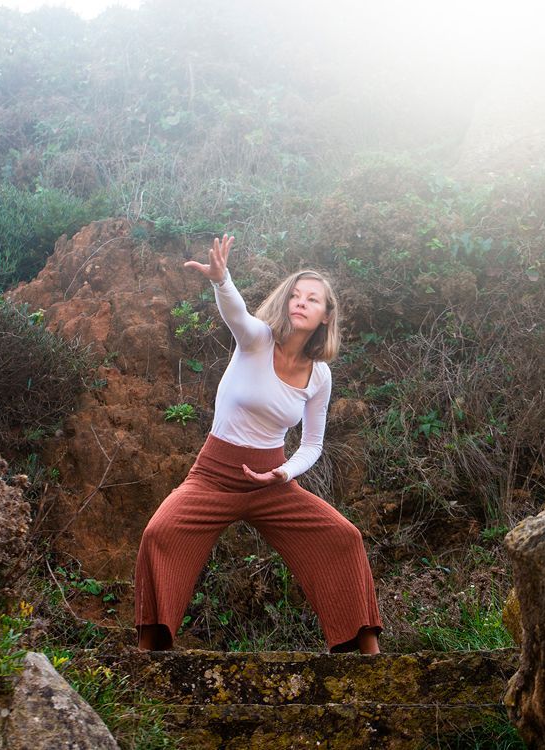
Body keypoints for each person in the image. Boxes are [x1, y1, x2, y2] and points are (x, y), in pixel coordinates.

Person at [135, 234, 382, 653]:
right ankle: (149, 656)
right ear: (287, 302)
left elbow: (313, 444)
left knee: (345, 537)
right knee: (159, 534)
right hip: (214, 475)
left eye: (313, 299)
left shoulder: (320, 376)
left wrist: (282, 473)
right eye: (296, 296)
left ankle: (366, 657)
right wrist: (221, 279)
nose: (301, 302)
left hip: (272, 484)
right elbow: (237, 314)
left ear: (326, 316)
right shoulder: (257, 340)